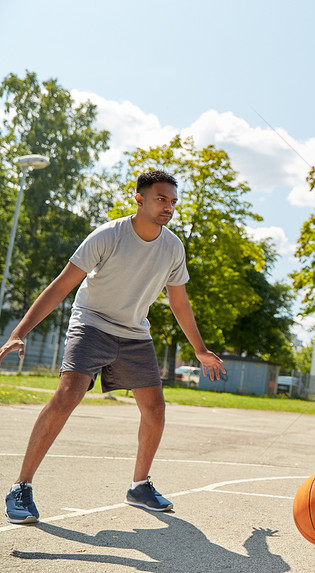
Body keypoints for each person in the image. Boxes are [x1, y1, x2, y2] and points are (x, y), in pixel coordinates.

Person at [2, 170, 226, 525]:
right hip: (91, 322)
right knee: (68, 394)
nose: (168, 207)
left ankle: (139, 487)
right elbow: (61, 286)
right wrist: (20, 331)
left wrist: (199, 349)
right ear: (139, 198)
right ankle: (20, 487)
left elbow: (179, 303)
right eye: (160, 199)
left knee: (154, 407)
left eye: (172, 201)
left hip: (134, 332)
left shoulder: (172, 247)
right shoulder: (109, 235)